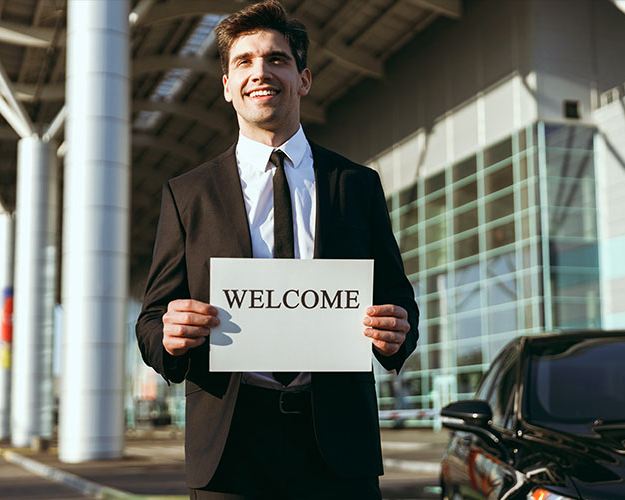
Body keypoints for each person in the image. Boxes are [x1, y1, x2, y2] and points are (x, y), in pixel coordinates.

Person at [135, 1, 419, 498]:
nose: (260, 72)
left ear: (303, 79)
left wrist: (396, 331)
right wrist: (170, 337)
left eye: (276, 59)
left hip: (337, 443)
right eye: (243, 61)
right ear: (226, 86)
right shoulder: (188, 194)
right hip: (232, 445)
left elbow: (398, 299)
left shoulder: (356, 185)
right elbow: (152, 319)